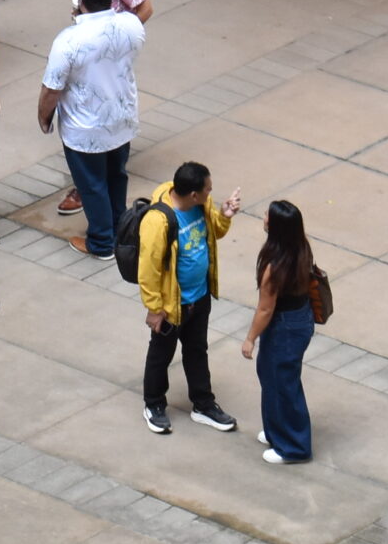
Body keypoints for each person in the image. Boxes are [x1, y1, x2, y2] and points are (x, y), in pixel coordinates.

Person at [40, 0, 147, 262]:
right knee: (117, 176)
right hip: (122, 119)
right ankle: (120, 230)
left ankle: (101, 241)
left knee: (92, 184)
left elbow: (52, 88)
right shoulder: (130, 25)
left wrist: (44, 117)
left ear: (81, 2)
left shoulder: (68, 40)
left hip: (84, 128)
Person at [133, 159, 242, 435]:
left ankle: (203, 404)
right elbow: (148, 270)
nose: (211, 193)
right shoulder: (158, 221)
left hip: (199, 297)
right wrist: (155, 308)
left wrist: (225, 215)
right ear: (193, 193)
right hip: (172, 305)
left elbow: (213, 232)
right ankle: (154, 404)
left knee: (197, 351)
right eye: (208, 189)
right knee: (161, 354)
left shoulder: (201, 204)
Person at [54, 0, 152, 215]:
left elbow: (144, 7)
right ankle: (88, 181)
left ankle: (94, 187)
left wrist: (116, 40)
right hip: (84, 46)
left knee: (104, 109)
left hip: (107, 54)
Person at [239, 200, 315, 465]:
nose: (263, 218)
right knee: (274, 377)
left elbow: (265, 309)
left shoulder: (274, 266)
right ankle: (277, 431)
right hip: (300, 320)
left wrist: (250, 338)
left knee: (282, 383)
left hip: (284, 326)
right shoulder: (300, 248)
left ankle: (293, 447)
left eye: (267, 216)